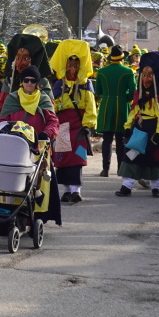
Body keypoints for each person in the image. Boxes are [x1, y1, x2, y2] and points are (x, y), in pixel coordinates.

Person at [0, 64, 62, 225]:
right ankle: (12, 214)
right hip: (15, 148)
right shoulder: (13, 98)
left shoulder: (44, 99)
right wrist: (6, 131)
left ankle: (34, 217)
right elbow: (2, 120)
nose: (29, 83)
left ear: (38, 83)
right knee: (14, 181)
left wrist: (47, 133)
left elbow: (53, 122)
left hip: (38, 148)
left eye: (33, 81)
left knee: (37, 183)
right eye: (26, 80)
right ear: (22, 81)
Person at [117, 52, 159, 198]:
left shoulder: (158, 94)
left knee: (154, 159)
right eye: (144, 75)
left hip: (153, 128)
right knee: (130, 155)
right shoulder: (139, 92)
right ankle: (126, 186)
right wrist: (127, 126)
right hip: (139, 127)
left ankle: (155, 187)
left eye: (150, 75)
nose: (146, 78)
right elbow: (134, 109)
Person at [50, 41, 98, 202]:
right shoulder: (59, 84)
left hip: (79, 125)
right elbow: (52, 105)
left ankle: (76, 190)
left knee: (77, 159)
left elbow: (91, 106)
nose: (72, 69)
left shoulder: (85, 84)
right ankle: (66, 190)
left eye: (76, 66)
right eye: (69, 65)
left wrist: (88, 125)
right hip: (63, 125)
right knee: (62, 158)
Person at [94, 45, 137, 178]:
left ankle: (105, 169)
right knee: (120, 138)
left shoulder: (101, 71)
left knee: (106, 138)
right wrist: (126, 98)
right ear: (122, 58)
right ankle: (120, 169)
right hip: (121, 105)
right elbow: (133, 91)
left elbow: (98, 92)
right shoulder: (128, 71)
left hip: (106, 105)